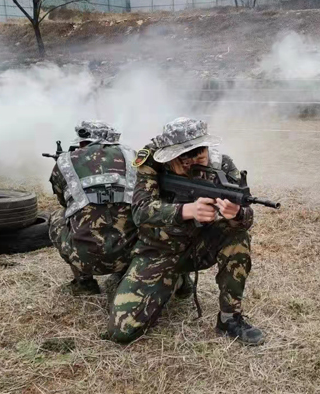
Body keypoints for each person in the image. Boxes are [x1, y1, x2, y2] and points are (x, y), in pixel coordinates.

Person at [106, 117, 264, 346]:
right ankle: (176, 280)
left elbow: (246, 219)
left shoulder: (223, 165)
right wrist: (185, 211)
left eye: (201, 156)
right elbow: (140, 211)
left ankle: (230, 318)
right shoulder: (150, 162)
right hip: (158, 250)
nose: (195, 164)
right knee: (122, 331)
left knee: (237, 238)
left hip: (200, 244)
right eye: (184, 161)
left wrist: (237, 214)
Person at [48, 121, 175, 299]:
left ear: (83, 142)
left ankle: (84, 284)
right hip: (132, 255)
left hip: (84, 259)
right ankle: (125, 273)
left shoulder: (65, 161)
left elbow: (64, 203)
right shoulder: (135, 156)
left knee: (58, 217)